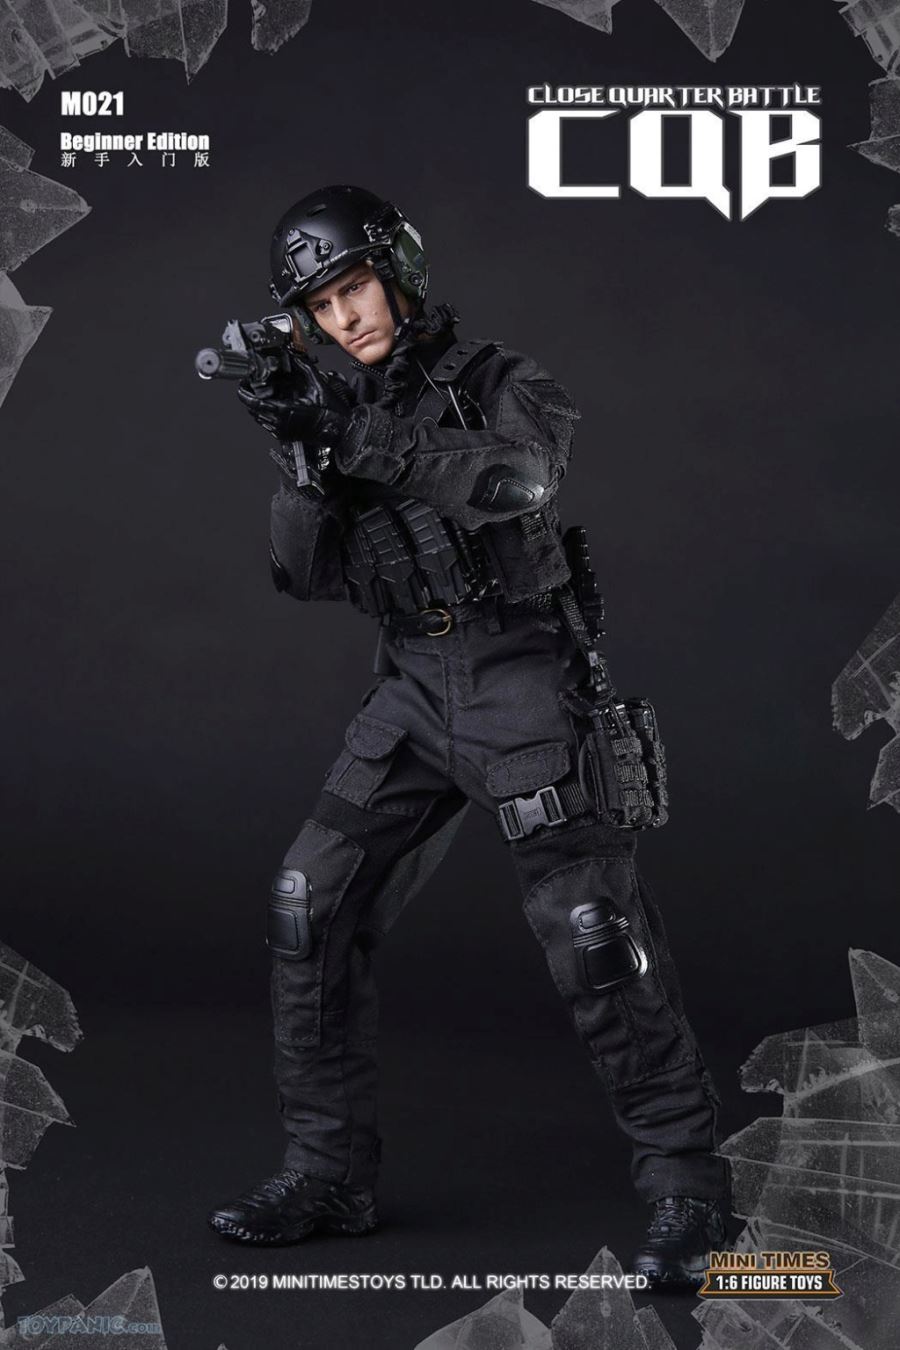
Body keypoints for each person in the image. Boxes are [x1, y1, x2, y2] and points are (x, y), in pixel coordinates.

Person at [207, 185, 728, 1287]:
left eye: (355, 288)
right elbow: (303, 575)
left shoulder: (501, 380)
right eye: (321, 306)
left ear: (398, 272)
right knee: (308, 899)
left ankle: (690, 1188)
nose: (345, 318)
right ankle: (328, 1175)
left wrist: (347, 430)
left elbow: (514, 478)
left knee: (594, 929)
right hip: (411, 686)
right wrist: (295, 442)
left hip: (523, 678)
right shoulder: (335, 405)